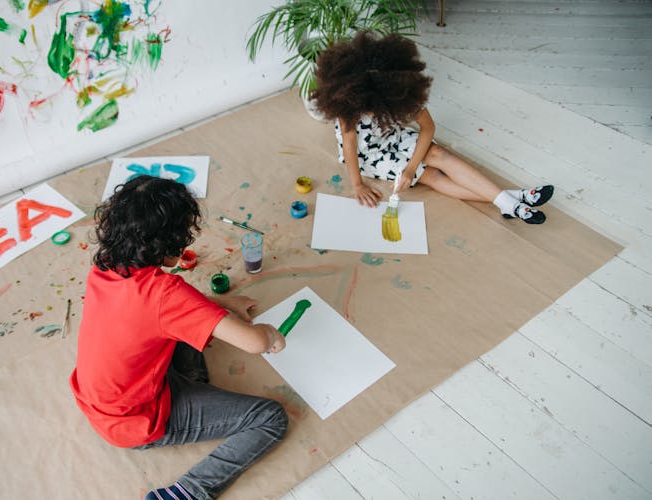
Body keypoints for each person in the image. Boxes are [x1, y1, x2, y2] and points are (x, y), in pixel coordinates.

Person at [69, 175, 288, 500]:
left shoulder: (105, 264)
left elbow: (152, 311)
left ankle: (196, 388)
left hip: (103, 396)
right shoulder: (165, 295)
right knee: (270, 418)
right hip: (135, 420)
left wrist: (219, 305)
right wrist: (269, 333)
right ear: (170, 242)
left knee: (188, 328)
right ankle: (188, 492)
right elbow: (255, 344)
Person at [311, 31, 553, 224]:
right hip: (368, 155)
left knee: (439, 154)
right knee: (432, 177)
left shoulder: (401, 93)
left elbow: (428, 128)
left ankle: (509, 203)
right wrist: (357, 184)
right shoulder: (349, 103)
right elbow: (351, 144)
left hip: (393, 138)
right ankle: (514, 200)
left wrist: (411, 167)